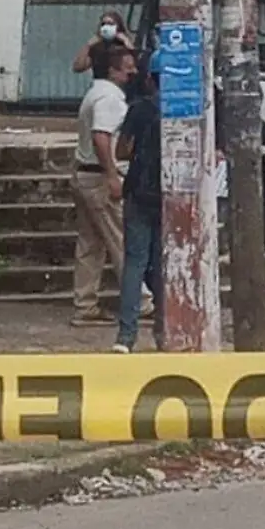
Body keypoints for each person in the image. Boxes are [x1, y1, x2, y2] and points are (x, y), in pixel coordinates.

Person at [70, 45, 135, 327]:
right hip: (99, 177)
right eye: (127, 67)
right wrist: (111, 175)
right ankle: (140, 301)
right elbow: (101, 136)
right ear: (113, 70)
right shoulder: (109, 98)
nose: (132, 72)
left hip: (84, 174)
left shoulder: (95, 93)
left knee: (90, 244)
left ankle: (85, 303)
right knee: (121, 239)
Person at [113, 63, 166, 354]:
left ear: (150, 79)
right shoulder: (184, 112)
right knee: (161, 265)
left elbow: (121, 149)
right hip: (168, 196)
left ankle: (126, 337)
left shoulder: (139, 110)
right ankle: (164, 331)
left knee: (134, 263)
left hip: (137, 193)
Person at [72, 12, 144, 101]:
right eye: (103, 24)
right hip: (102, 91)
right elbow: (78, 67)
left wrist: (126, 42)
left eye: (110, 24)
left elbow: (137, 68)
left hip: (123, 92)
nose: (106, 27)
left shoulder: (124, 47)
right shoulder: (97, 49)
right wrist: (88, 45)